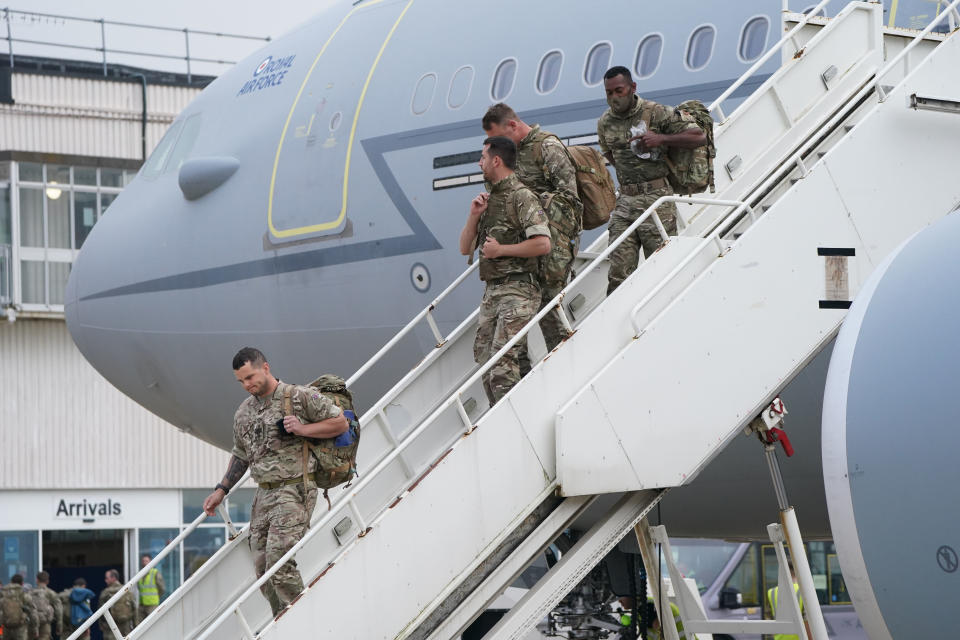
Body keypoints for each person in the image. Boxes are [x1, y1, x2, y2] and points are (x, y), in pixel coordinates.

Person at [202, 347, 348, 617]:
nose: (247, 385)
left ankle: (305, 622)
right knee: (262, 571)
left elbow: (340, 423)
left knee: (279, 564)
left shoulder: (298, 397)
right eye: (241, 381)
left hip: (295, 488)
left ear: (265, 368)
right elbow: (240, 454)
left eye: (250, 377)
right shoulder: (244, 412)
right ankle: (283, 622)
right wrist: (221, 490)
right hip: (264, 495)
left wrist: (303, 429)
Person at [482, 103, 583, 360]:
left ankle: (564, 363)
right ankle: (523, 376)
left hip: (551, 246)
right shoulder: (504, 158)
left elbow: (571, 201)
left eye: (499, 138)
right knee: (515, 323)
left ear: (513, 126)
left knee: (550, 310)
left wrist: (529, 204)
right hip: (519, 253)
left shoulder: (547, 148)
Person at [597, 65, 707, 294]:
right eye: (609, 93)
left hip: (656, 199)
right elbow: (609, 153)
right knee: (618, 273)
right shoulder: (605, 122)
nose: (614, 98)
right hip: (625, 201)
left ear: (632, 88)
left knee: (661, 268)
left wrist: (661, 138)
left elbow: (699, 136)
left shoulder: (656, 112)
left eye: (619, 91)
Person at [459, 136, 552, 404]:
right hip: (493, 292)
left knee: (503, 364)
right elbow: (465, 248)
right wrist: (474, 215)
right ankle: (506, 415)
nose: (480, 163)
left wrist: (501, 251)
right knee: (487, 362)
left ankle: (510, 422)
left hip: (519, 290)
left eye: (483, 158)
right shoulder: (489, 200)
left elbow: (543, 244)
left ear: (496, 160)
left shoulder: (521, 196)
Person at [766, 565, 812, 640]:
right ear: (797, 573)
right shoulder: (803, 591)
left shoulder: (772, 592)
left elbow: (769, 620)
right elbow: (807, 623)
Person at [0, 574, 38, 640]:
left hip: (5, 628)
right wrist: (34, 629)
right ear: (22, 583)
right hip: (20, 629)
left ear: (11, 582)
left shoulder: (2, 594)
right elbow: (33, 614)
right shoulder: (25, 595)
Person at [99, 569, 136, 636]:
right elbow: (134, 608)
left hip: (110, 627)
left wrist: (102, 626)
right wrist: (135, 624)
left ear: (113, 578)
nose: (105, 580)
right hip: (126, 627)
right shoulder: (127, 591)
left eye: (107, 578)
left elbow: (100, 611)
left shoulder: (105, 593)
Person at [32, 572, 62, 640]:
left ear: (36, 580)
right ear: (47, 581)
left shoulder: (30, 593)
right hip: (45, 624)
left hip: (32, 624)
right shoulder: (51, 593)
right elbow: (59, 610)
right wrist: (59, 625)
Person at [137, 553, 165, 624]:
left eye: (146, 561)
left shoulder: (155, 573)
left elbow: (162, 588)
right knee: (140, 625)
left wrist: (155, 597)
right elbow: (139, 588)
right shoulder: (140, 574)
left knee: (152, 624)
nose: (144, 563)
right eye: (143, 561)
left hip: (152, 604)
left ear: (150, 562)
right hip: (142, 604)